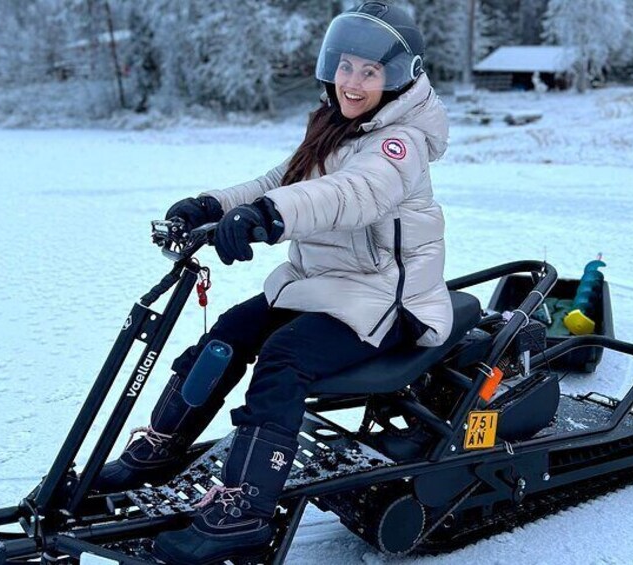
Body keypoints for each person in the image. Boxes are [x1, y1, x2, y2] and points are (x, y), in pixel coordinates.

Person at [100, 2, 453, 562]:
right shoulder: (334, 125)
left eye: (370, 72)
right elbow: (281, 180)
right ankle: (163, 447)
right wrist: (211, 205)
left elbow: (351, 193)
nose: (353, 82)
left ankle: (245, 508)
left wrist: (269, 216)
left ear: (398, 78)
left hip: (386, 299)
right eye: (346, 66)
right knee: (229, 333)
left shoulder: (398, 143)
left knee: (284, 358)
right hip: (323, 288)